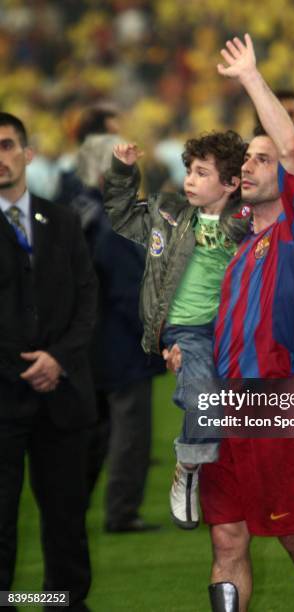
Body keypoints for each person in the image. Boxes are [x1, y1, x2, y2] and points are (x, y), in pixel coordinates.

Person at [178, 34, 294, 612]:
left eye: (261, 158)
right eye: (245, 158)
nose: (249, 165)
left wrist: (251, 77)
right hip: (222, 403)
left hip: (276, 399)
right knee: (226, 537)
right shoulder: (230, 239)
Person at [103, 130, 249, 529]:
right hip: (186, 330)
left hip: (237, 331)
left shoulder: (248, 220)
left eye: (202, 173)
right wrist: (122, 172)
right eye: (189, 170)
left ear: (231, 183)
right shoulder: (167, 212)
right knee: (203, 400)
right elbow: (120, 214)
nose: (189, 179)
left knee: (272, 413)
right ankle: (188, 468)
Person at [0, 112, 97, 610]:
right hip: (3, 396)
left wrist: (57, 359)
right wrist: (22, 364)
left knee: (65, 516)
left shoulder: (60, 220)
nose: (0, 158)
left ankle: (65, 603)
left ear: (27, 153)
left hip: (62, 395)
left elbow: (87, 298)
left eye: (6, 145)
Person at [71, 133, 165, 532]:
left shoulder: (86, 213)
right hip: (122, 343)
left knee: (100, 430)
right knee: (131, 432)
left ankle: (76, 503)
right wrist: (156, 336)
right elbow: (131, 292)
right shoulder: (115, 225)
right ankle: (122, 511)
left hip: (98, 340)